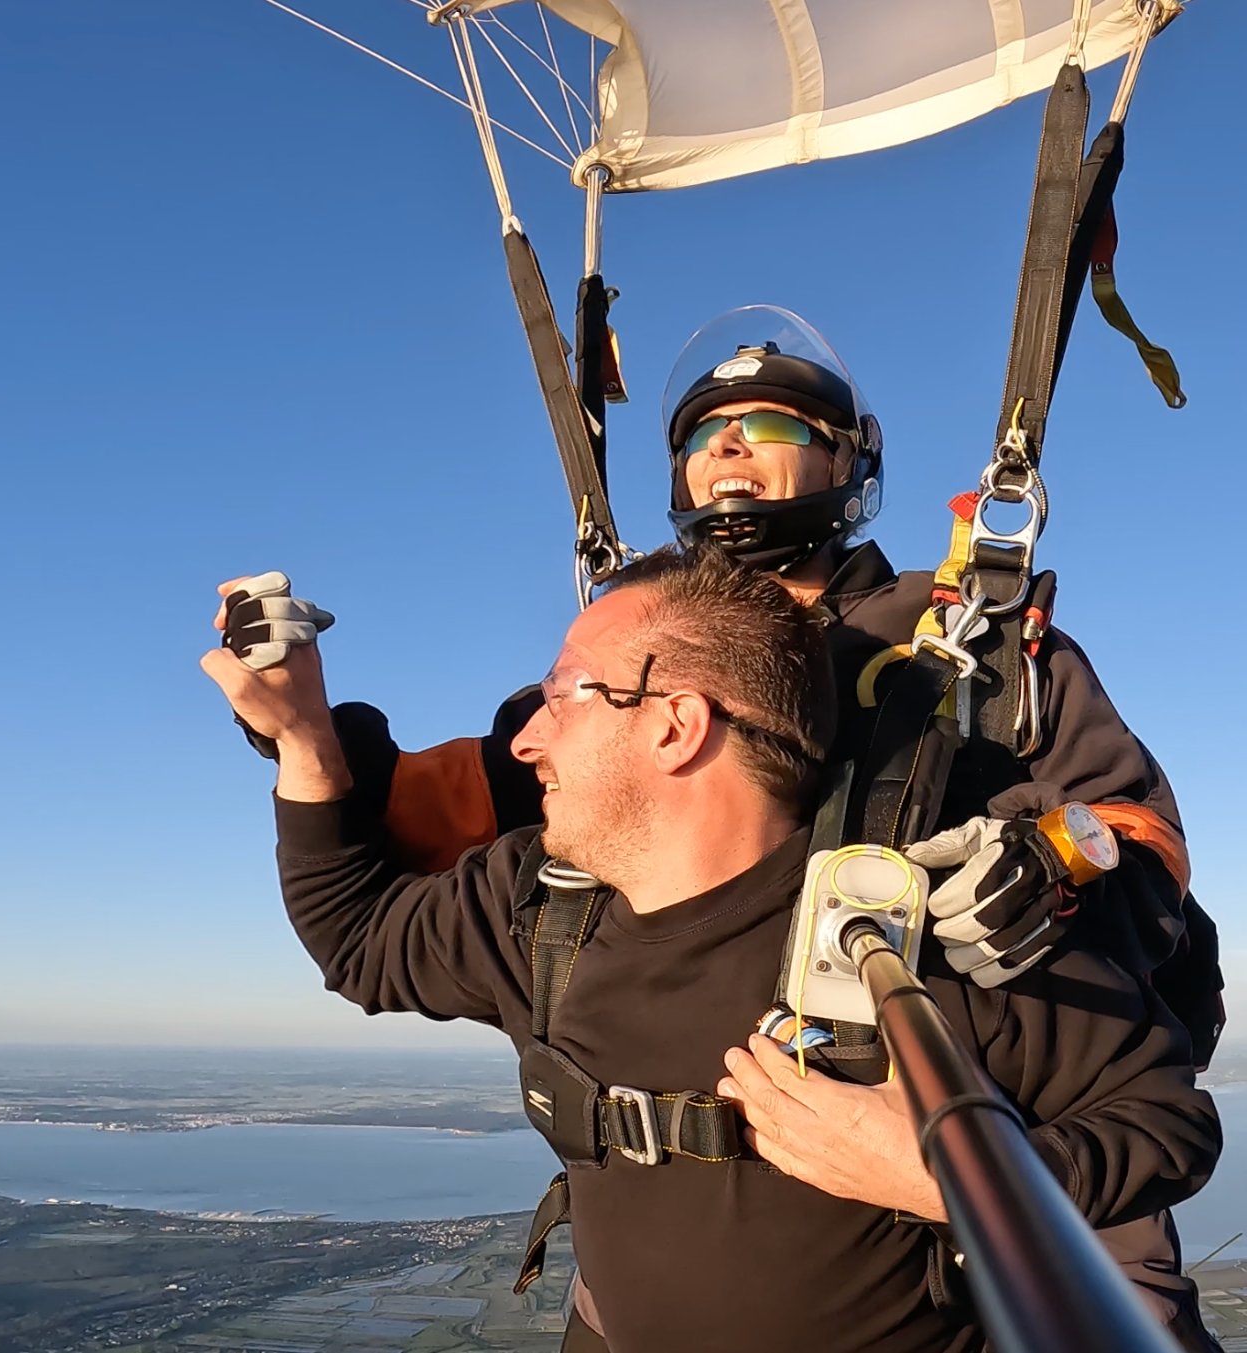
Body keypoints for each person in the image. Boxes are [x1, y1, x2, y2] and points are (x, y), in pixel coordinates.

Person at [201, 544, 1220, 1353]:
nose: (523, 742)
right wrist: (302, 738)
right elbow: (360, 940)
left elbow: (1165, 1127)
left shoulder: (910, 935)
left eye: (562, 698)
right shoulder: (535, 910)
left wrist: (942, 1175)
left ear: (677, 725)